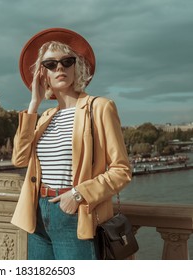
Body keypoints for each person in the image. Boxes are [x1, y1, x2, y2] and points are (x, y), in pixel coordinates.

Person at [11, 28, 132, 260]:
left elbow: (122, 170)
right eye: (50, 64)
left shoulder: (99, 108)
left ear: (77, 67)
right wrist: (33, 106)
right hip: (36, 215)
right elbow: (19, 159)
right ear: (42, 74)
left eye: (67, 61)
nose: (60, 68)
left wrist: (77, 195)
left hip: (74, 213)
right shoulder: (45, 118)